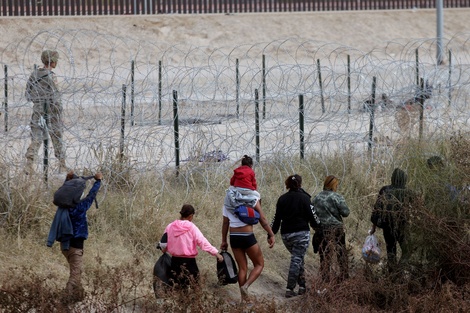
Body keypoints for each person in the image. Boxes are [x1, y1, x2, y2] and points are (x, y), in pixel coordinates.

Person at [47, 170, 102, 303]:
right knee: (75, 275)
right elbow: (91, 195)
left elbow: (67, 191)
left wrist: (67, 179)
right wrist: (98, 181)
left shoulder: (63, 207)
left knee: (76, 271)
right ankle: (63, 302)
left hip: (64, 246)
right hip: (75, 248)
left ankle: (78, 296)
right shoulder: (79, 207)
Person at [271, 174, 320, 298]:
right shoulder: (305, 198)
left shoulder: (282, 199)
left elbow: (276, 218)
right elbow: (312, 215)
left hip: (286, 235)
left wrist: (271, 233)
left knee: (298, 258)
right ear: (300, 183)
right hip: (301, 233)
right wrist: (318, 226)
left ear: (287, 184)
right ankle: (290, 288)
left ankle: (302, 286)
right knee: (296, 259)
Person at [221, 195, 275, 302]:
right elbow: (262, 219)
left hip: (234, 237)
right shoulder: (253, 197)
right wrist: (271, 234)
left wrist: (224, 241)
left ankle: (244, 300)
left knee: (242, 268)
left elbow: (225, 223)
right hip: (247, 235)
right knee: (259, 264)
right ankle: (246, 286)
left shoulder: (228, 200)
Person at [159, 204, 223, 289]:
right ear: (190, 216)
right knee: (194, 288)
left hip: (174, 262)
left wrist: (165, 249)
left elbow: (163, 245)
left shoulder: (170, 226)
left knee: (178, 288)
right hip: (190, 263)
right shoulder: (191, 227)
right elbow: (202, 242)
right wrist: (216, 253)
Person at [25, 49, 66, 174]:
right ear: (52, 61)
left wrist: (38, 101)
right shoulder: (51, 76)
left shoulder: (34, 74)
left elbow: (28, 94)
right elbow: (56, 96)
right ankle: (62, 165)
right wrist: (59, 112)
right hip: (51, 110)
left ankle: (29, 164)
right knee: (56, 136)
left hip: (38, 110)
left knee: (36, 137)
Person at [370, 168, 415, 273]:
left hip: (387, 225)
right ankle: (399, 270)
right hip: (402, 225)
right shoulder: (408, 192)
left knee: (391, 250)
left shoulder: (384, 189)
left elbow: (377, 209)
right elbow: (417, 208)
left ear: (392, 178)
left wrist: (373, 227)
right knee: (408, 250)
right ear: (404, 179)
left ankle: (392, 275)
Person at [312, 175, 350, 283]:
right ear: (333, 185)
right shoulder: (337, 197)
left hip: (321, 230)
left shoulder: (316, 197)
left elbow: (312, 214)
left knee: (324, 256)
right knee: (341, 254)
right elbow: (346, 213)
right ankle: (344, 277)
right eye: (336, 185)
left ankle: (325, 280)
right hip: (336, 229)